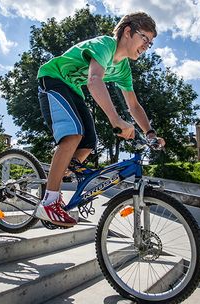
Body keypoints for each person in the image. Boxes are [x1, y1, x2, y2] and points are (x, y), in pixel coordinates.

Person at [33, 12, 165, 227]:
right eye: (144, 39)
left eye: (150, 43)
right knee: (73, 133)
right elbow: (95, 80)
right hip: (53, 78)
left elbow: (133, 105)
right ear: (128, 32)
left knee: (88, 143)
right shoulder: (105, 45)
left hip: (73, 89)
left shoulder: (123, 69)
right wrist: (116, 120)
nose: (146, 46)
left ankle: (58, 171)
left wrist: (150, 133)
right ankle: (49, 201)